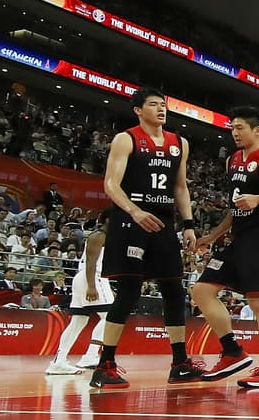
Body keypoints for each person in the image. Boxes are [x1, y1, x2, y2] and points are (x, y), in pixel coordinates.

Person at [89, 88, 204, 389]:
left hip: (164, 222)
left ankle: (180, 363)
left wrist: (189, 224)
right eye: (153, 105)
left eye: (163, 105)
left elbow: (180, 187)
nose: (161, 109)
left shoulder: (180, 144)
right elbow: (111, 184)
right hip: (132, 219)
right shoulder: (126, 139)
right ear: (138, 110)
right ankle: (104, 365)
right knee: (128, 292)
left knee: (174, 291)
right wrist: (134, 211)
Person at [191, 106, 259, 389]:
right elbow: (234, 206)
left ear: (257, 131)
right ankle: (232, 351)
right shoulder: (231, 160)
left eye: (240, 127)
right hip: (239, 237)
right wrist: (213, 236)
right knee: (201, 290)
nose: (234, 132)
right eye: (232, 127)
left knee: (258, 301)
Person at [47, 209, 114, 375]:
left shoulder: (106, 236)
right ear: (108, 220)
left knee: (78, 322)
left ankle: (59, 361)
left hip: (88, 277)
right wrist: (92, 286)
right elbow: (91, 262)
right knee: (112, 316)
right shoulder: (98, 236)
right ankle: (90, 356)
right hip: (91, 277)